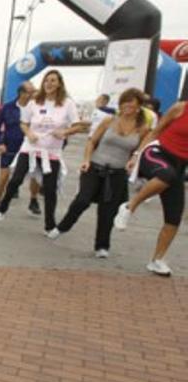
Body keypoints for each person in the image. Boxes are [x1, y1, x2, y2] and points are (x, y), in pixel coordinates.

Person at [46, 89, 149, 257]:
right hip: (95, 167)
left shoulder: (142, 128)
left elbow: (140, 150)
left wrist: (134, 160)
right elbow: (92, 141)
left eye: (132, 102)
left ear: (139, 106)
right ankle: (62, 227)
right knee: (82, 200)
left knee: (108, 210)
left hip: (117, 173)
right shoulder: (109, 121)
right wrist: (86, 160)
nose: (128, 105)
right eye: (125, 101)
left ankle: (102, 246)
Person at [0, 70, 84, 232]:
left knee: (50, 190)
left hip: (52, 152)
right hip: (30, 149)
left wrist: (65, 132)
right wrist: (29, 134)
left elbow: (78, 125)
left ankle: (50, 225)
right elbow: (24, 123)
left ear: (59, 84)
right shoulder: (34, 102)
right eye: (46, 80)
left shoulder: (67, 103)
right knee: (16, 180)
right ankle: (2, 208)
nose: (49, 83)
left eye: (53, 81)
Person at [114, 100, 188, 276]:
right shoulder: (180, 108)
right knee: (166, 175)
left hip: (179, 166)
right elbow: (155, 131)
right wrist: (135, 156)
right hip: (156, 153)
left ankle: (157, 261)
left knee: (174, 217)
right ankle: (129, 206)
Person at [0, 82, 42, 216]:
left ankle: (33, 200)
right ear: (22, 93)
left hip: (32, 148)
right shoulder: (8, 108)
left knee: (35, 176)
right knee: (4, 177)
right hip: (9, 148)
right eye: (31, 91)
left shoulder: (37, 108)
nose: (34, 94)